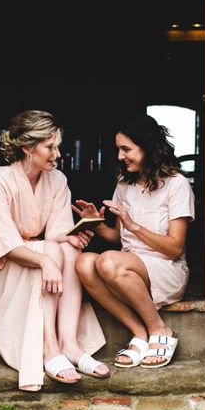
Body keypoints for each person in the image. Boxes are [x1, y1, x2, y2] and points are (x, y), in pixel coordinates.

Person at [0, 110, 109, 391]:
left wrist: (72, 239)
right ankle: (49, 348)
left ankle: (70, 343)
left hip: (35, 248)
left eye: (57, 146)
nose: (56, 154)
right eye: (49, 147)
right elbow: (4, 244)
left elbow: (57, 233)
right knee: (53, 254)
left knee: (67, 252)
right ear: (27, 148)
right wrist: (45, 259)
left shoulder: (56, 180)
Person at [74, 113, 195, 369]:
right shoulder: (124, 184)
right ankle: (139, 332)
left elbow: (175, 247)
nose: (120, 156)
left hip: (165, 269)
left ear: (147, 147)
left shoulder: (177, 185)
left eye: (126, 149)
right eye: (118, 149)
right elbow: (119, 237)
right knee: (84, 263)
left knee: (109, 262)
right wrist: (95, 224)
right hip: (127, 266)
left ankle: (160, 328)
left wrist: (135, 226)